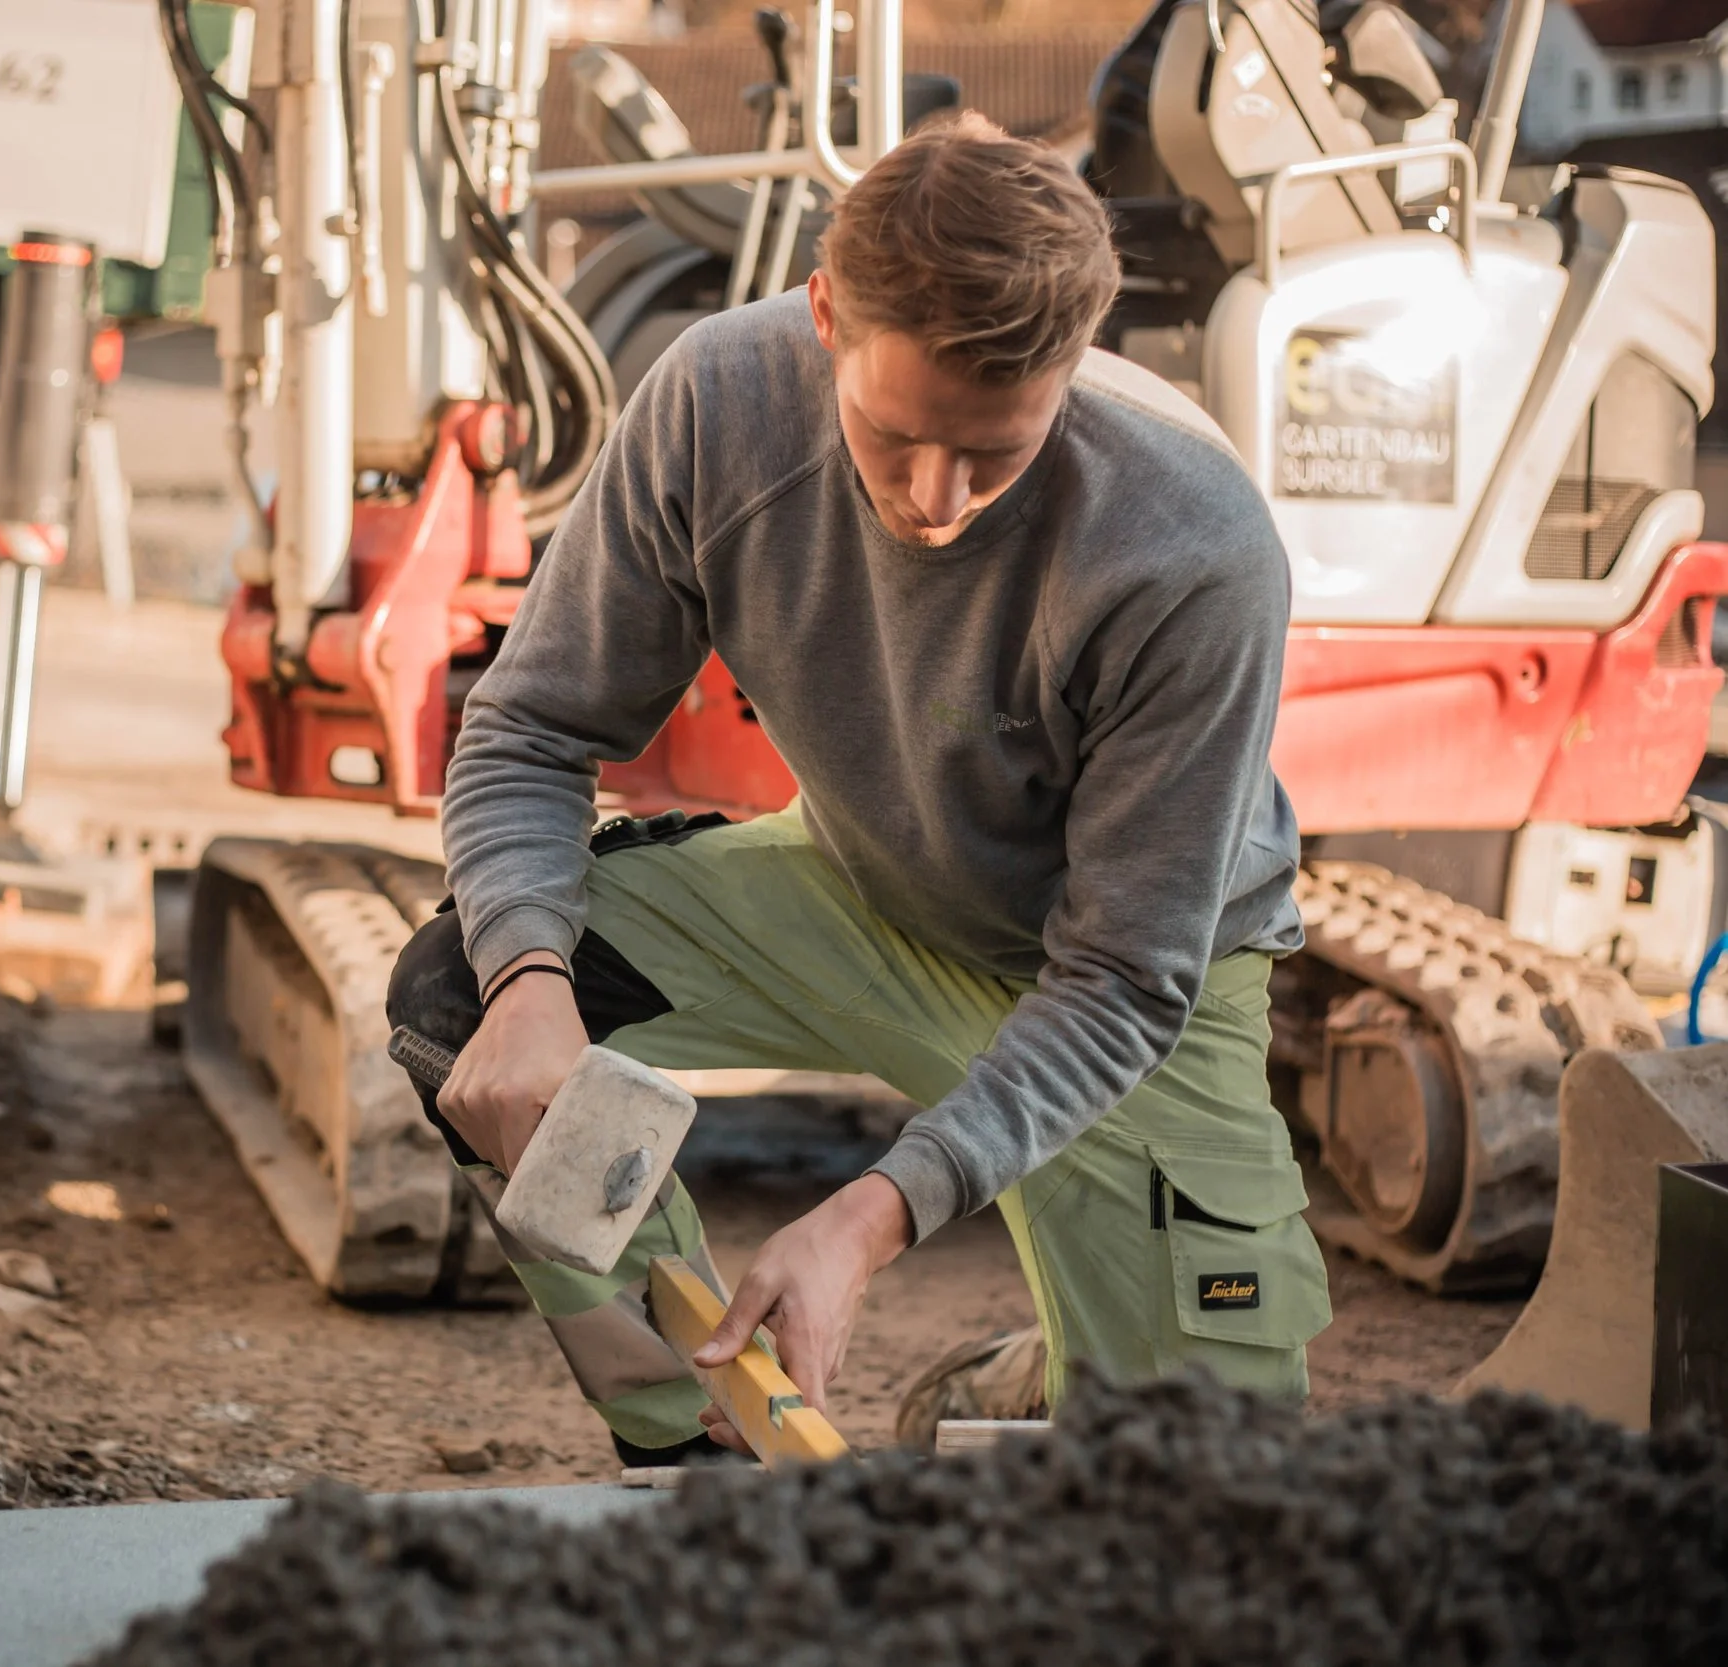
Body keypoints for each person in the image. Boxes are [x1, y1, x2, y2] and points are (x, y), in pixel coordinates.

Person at [386, 111, 1330, 1466]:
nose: (936, 500)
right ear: (824, 313)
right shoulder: (719, 403)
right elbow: (530, 729)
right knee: (458, 991)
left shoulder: (1190, 543)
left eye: (992, 454)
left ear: (1070, 369)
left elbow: (1125, 974)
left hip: (1140, 996)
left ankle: (1041, 1373)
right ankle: (703, 1438)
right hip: (861, 898)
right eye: (897, 437)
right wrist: (532, 984)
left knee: (1206, 1502)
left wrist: (866, 1215)